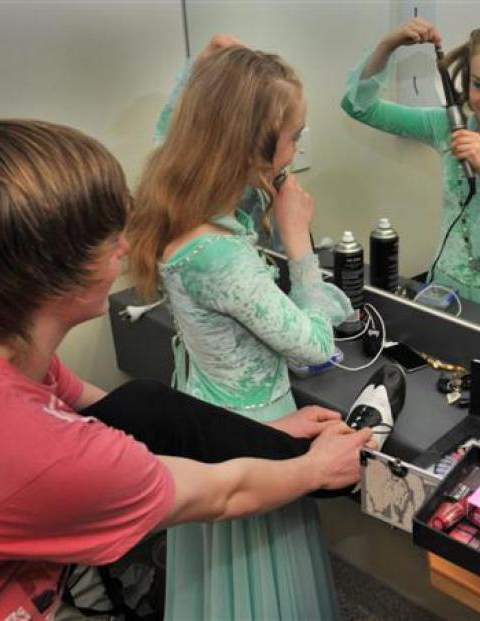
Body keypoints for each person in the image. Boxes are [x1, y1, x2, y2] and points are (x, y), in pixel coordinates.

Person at [0, 118, 372, 620]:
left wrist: (272, 432)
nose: (126, 248)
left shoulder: (3, 360)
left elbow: (121, 412)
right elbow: (221, 495)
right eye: (109, 239)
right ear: (46, 272)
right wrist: (314, 469)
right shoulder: (50, 455)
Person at [126, 36, 356, 620]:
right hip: (251, 431)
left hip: (207, 406)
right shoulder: (220, 255)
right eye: (295, 136)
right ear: (253, 148)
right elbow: (316, 349)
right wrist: (298, 237)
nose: (299, 147)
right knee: (262, 582)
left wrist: (200, 70)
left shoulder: (176, 193)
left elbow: (165, 131)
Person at [342, 18, 480, 315]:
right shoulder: (447, 126)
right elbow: (359, 107)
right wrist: (389, 46)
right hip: (445, 292)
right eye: (478, 85)